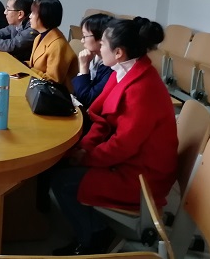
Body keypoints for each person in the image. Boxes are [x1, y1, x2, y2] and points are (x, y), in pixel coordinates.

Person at [51, 17, 177, 255]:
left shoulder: (143, 88)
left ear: (118, 52)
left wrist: (86, 157)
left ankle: (95, 240)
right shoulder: (123, 73)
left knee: (63, 182)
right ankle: (93, 228)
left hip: (142, 177)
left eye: (103, 45)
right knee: (63, 165)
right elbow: (101, 119)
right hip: (127, 161)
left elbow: (123, 145)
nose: (99, 48)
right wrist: (84, 149)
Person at [26, 0, 78, 90]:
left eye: (33, 13)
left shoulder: (58, 45)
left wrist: (29, 69)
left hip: (53, 93)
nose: (30, 16)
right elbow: (35, 65)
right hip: (38, 86)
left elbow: (53, 81)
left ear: (44, 16)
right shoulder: (39, 37)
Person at [72, 13, 114, 112]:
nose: (82, 41)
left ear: (102, 38)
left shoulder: (112, 67)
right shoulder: (94, 57)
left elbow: (87, 99)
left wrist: (84, 67)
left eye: (85, 36)